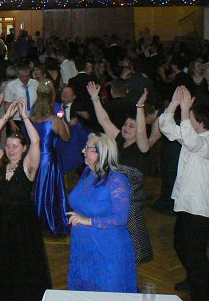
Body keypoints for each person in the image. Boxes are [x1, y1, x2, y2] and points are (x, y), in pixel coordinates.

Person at [0, 99, 51, 301]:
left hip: (21, 225)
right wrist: (5, 117)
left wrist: (24, 117)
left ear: (23, 149)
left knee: (21, 264)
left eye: (15, 146)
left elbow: (36, 141)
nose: (11, 150)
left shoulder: (28, 166)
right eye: (8, 146)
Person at [159, 86, 209, 301]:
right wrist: (174, 104)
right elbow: (166, 127)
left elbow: (194, 143)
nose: (186, 119)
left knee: (197, 256)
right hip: (185, 205)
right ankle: (193, 279)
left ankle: (201, 295)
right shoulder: (190, 136)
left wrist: (185, 111)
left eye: (190, 117)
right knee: (180, 244)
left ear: (200, 122)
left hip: (199, 209)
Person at [88, 82, 153, 263]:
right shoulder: (118, 141)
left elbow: (141, 132)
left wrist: (140, 107)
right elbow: (104, 121)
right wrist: (95, 98)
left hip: (131, 202)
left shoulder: (142, 147)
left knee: (132, 245)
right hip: (114, 198)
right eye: (125, 124)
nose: (126, 127)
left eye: (131, 126)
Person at [67, 133, 137, 292]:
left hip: (107, 249)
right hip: (83, 245)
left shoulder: (117, 180)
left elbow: (121, 217)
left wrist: (88, 221)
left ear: (101, 153)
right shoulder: (87, 173)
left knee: (107, 291)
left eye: (87, 148)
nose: (82, 151)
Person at [30, 92, 71, 235]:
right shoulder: (55, 121)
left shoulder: (32, 120)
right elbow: (66, 138)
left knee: (36, 189)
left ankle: (35, 220)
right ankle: (49, 220)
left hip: (33, 158)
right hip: (48, 160)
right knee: (50, 191)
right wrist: (63, 120)